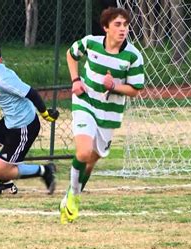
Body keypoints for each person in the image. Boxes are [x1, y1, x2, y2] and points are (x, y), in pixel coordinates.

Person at [60, 7, 144, 223]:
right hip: (85, 103)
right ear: (106, 27)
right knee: (84, 152)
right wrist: (76, 81)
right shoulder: (91, 42)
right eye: (117, 24)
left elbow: (135, 90)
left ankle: (73, 194)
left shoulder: (133, 56)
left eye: (125, 25)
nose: (122, 29)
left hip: (109, 115)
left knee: (91, 162)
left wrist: (114, 85)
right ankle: (73, 199)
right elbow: (71, 54)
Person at [0, 42, 60, 195]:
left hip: (23, 126)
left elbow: (31, 93)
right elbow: (3, 97)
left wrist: (44, 113)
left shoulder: (3, 78)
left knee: (0, 171)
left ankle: (45, 170)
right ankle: (6, 185)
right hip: (10, 120)